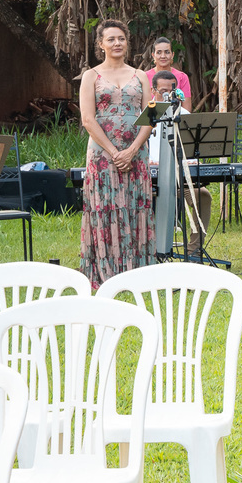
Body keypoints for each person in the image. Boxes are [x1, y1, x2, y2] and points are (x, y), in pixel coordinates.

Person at [80, 19, 155, 289]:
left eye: (121, 38)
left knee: (135, 206)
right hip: (102, 155)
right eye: (111, 39)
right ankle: (106, 273)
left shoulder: (142, 76)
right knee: (106, 208)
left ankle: (137, 272)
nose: (117, 43)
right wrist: (114, 152)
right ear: (101, 44)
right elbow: (88, 119)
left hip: (136, 153)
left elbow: (151, 116)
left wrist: (132, 150)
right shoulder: (91, 76)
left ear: (127, 42)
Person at [148, 70, 212, 255]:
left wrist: (191, 162)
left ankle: (193, 250)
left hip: (180, 178)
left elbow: (191, 149)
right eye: (163, 91)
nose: (169, 96)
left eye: (172, 92)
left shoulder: (184, 114)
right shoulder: (148, 114)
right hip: (152, 179)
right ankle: (150, 249)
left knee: (203, 196)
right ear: (154, 90)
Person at [146, 36, 192, 111]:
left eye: (167, 52)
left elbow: (186, 111)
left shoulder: (182, 77)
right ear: (153, 56)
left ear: (172, 55)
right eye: (159, 52)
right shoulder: (145, 77)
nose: (163, 56)